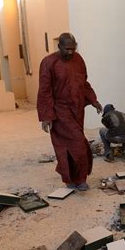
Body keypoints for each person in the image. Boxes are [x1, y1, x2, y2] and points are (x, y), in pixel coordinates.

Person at [37, 33, 102, 190]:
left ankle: (72, 178)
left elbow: (83, 82)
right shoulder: (48, 62)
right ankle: (80, 179)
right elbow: (44, 91)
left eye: (73, 49)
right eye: (67, 49)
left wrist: (93, 99)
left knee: (69, 145)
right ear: (59, 46)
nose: (71, 52)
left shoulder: (78, 60)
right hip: (60, 110)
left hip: (77, 109)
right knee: (78, 143)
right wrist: (46, 116)